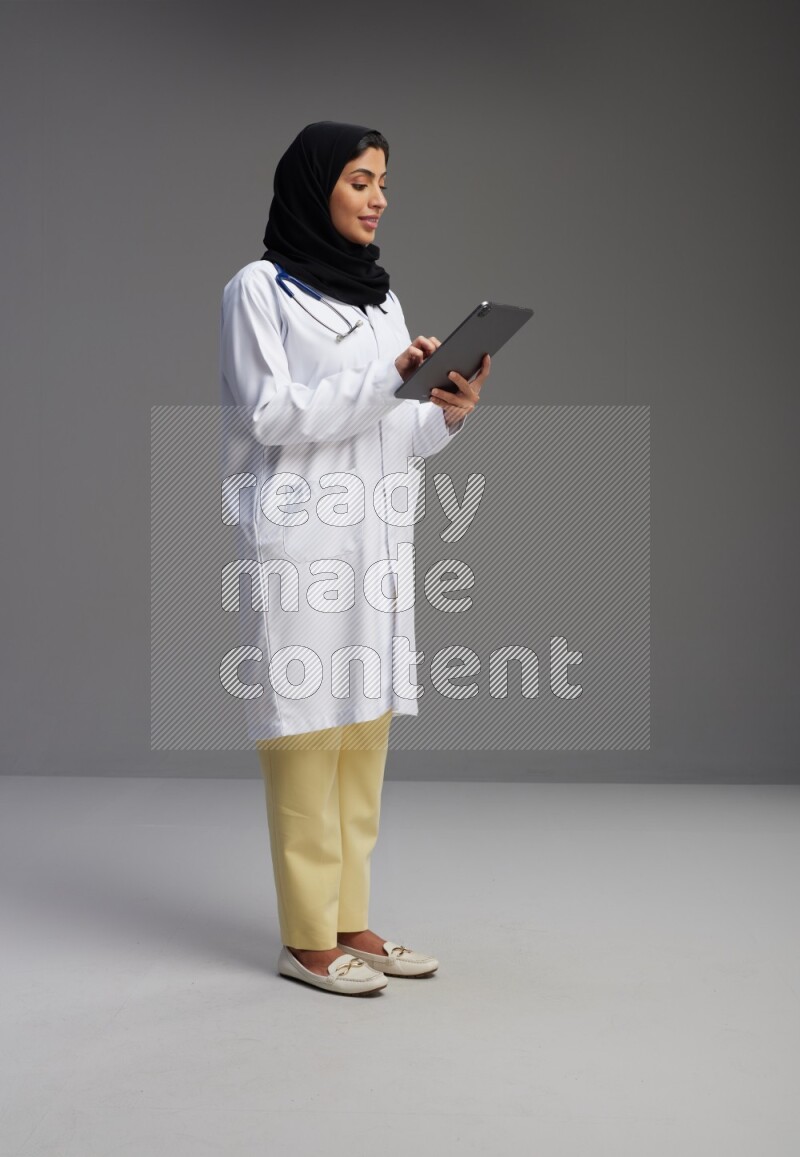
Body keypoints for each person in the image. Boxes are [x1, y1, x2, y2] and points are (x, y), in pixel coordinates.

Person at [219, 121, 490, 995]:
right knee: (305, 729)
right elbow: (269, 413)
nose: (379, 197)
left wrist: (446, 411)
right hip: (302, 540)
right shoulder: (257, 290)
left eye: (383, 183)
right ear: (314, 187)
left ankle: (351, 919)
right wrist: (384, 381)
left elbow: (397, 429)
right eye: (360, 180)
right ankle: (304, 937)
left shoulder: (382, 301)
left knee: (364, 725)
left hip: (375, 538)